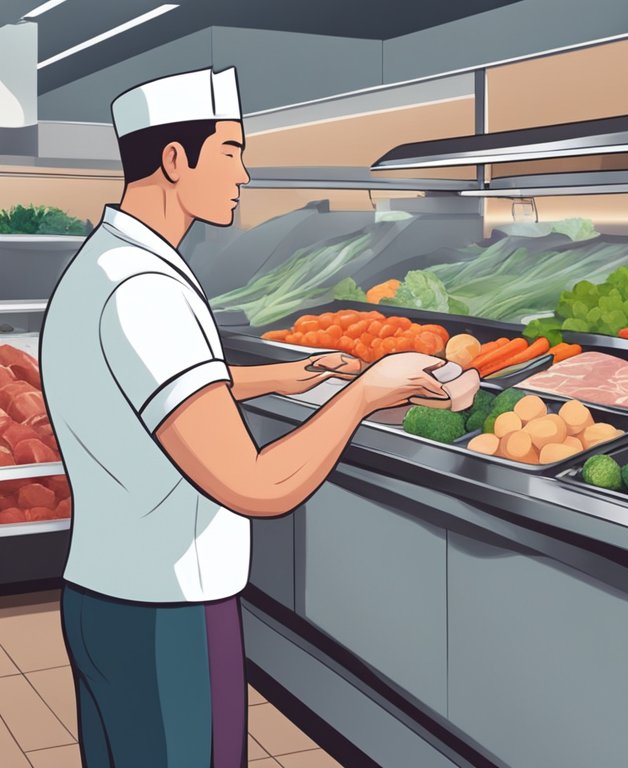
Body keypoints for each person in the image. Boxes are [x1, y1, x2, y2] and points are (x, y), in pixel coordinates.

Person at [40, 67, 475, 768]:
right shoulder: (146, 290)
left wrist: (282, 376)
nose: (245, 175)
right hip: (165, 616)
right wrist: (361, 396)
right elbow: (254, 484)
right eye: (231, 151)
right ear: (175, 161)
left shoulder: (109, 264)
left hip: (108, 599)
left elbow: (146, 390)